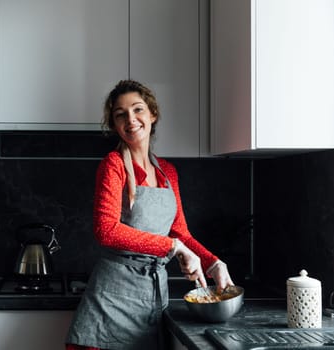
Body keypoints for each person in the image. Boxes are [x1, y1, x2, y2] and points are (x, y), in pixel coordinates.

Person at [65, 80, 234, 350]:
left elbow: (180, 233)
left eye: (138, 109)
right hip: (111, 301)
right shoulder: (114, 165)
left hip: (152, 301)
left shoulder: (168, 172)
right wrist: (172, 246)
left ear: (152, 114)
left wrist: (214, 263)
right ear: (114, 124)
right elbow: (106, 230)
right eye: (120, 114)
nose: (130, 119)